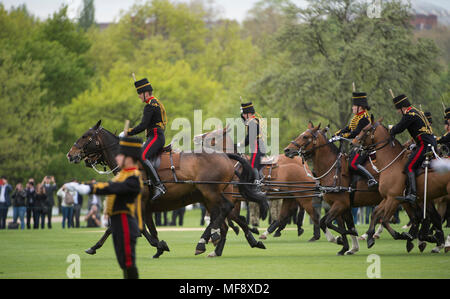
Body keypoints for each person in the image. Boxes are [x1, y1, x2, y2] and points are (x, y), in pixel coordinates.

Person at [65, 136, 144, 279]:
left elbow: (111, 187)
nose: (118, 157)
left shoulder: (133, 177)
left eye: (121, 155)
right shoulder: (123, 175)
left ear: (129, 158)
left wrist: (88, 188)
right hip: (118, 224)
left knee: (128, 263)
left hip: (126, 223)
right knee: (123, 264)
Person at [121, 77, 167, 201]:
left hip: (156, 136)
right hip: (155, 135)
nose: (139, 97)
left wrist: (127, 132)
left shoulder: (150, 106)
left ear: (146, 93)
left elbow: (143, 125)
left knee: (142, 156)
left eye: (140, 94)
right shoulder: (155, 103)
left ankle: (159, 185)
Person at [390, 94, 437, 203]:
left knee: (409, 166)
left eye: (398, 109)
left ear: (402, 107)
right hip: (428, 143)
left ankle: (413, 194)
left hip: (424, 145)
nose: (398, 112)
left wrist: (390, 130)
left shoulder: (409, 114)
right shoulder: (416, 111)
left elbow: (399, 128)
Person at [333, 92, 378, 189]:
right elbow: (348, 128)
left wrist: (342, 136)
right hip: (356, 147)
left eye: (354, 106)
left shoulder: (364, 118)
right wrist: (336, 134)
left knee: (353, 164)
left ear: (360, 107)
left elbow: (355, 132)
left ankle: (371, 179)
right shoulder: (356, 117)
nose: (352, 108)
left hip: (364, 148)